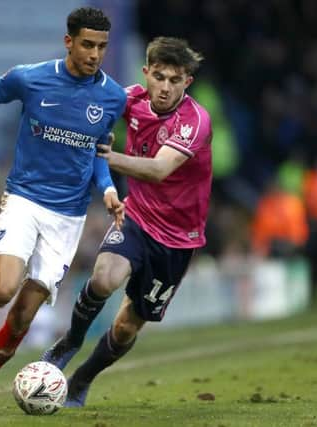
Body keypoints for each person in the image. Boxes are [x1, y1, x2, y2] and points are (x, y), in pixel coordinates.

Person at [0, 7, 126, 414]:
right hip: (26, 199)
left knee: (22, 316)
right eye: (87, 44)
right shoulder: (30, 78)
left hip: (68, 218)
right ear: (69, 42)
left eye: (102, 46)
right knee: (2, 288)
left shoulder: (112, 96)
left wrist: (107, 189)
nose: (95, 54)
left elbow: (98, 151)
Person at [41, 36, 212, 407]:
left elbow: (159, 169)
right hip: (137, 216)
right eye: (160, 77)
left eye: (175, 80)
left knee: (126, 327)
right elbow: (88, 109)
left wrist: (106, 154)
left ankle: (83, 379)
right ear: (146, 73)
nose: (165, 88)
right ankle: (71, 340)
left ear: (187, 83)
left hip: (177, 239)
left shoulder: (195, 121)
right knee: (103, 278)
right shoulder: (129, 98)